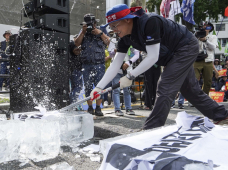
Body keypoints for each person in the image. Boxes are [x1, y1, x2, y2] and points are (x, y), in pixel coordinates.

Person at [90, 4, 228, 129]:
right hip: (170, 55)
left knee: (165, 86)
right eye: (111, 27)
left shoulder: (149, 22)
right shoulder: (125, 37)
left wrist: (130, 76)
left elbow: (152, 56)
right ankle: (222, 115)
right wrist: (99, 87)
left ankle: (151, 129)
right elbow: (115, 64)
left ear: (128, 19)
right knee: (190, 90)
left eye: (115, 25)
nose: (114, 30)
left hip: (185, 46)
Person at [74, 13, 110, 116]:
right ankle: (90, 108)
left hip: (99, 63)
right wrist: (83, 32)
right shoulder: (83, 32)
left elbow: (108, 42)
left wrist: (100, 33)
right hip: (86, 64)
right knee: (88, 87)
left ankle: (98, 108)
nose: (90, 26)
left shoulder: (101, 30)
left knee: (100, 87)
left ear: (95, 23)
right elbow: (76, 43)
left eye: (91, 24)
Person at [111, 46, 138, 116]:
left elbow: (135, 55)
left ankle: (128, 108)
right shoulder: (115, 41)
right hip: (116, 70)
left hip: (127, 71)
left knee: (127, 91)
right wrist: (114, 51)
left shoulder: (131, 44)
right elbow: (110, 54)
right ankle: (117, 109)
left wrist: (128, 63)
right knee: (116, 91)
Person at [194, 22, 218, 95]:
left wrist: (205, 40)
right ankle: (193, 97)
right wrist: (196, 37)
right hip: (197, 60)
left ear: (210, 29)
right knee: (193, 80)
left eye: (208, 27)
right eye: (203, 27)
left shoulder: (213, 37)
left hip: (208, 60)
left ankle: (204, 98)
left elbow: (213, 47)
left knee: (208, 81)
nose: (205, 29)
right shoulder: (195, 36)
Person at [69, 40, 83, 107]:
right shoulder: (73, 42)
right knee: (78, 87)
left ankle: (72, 103)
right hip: (75, 68)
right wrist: (82, 49)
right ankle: (73, 104)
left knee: (74, 88)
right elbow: (76, 51)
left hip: (73, 68)